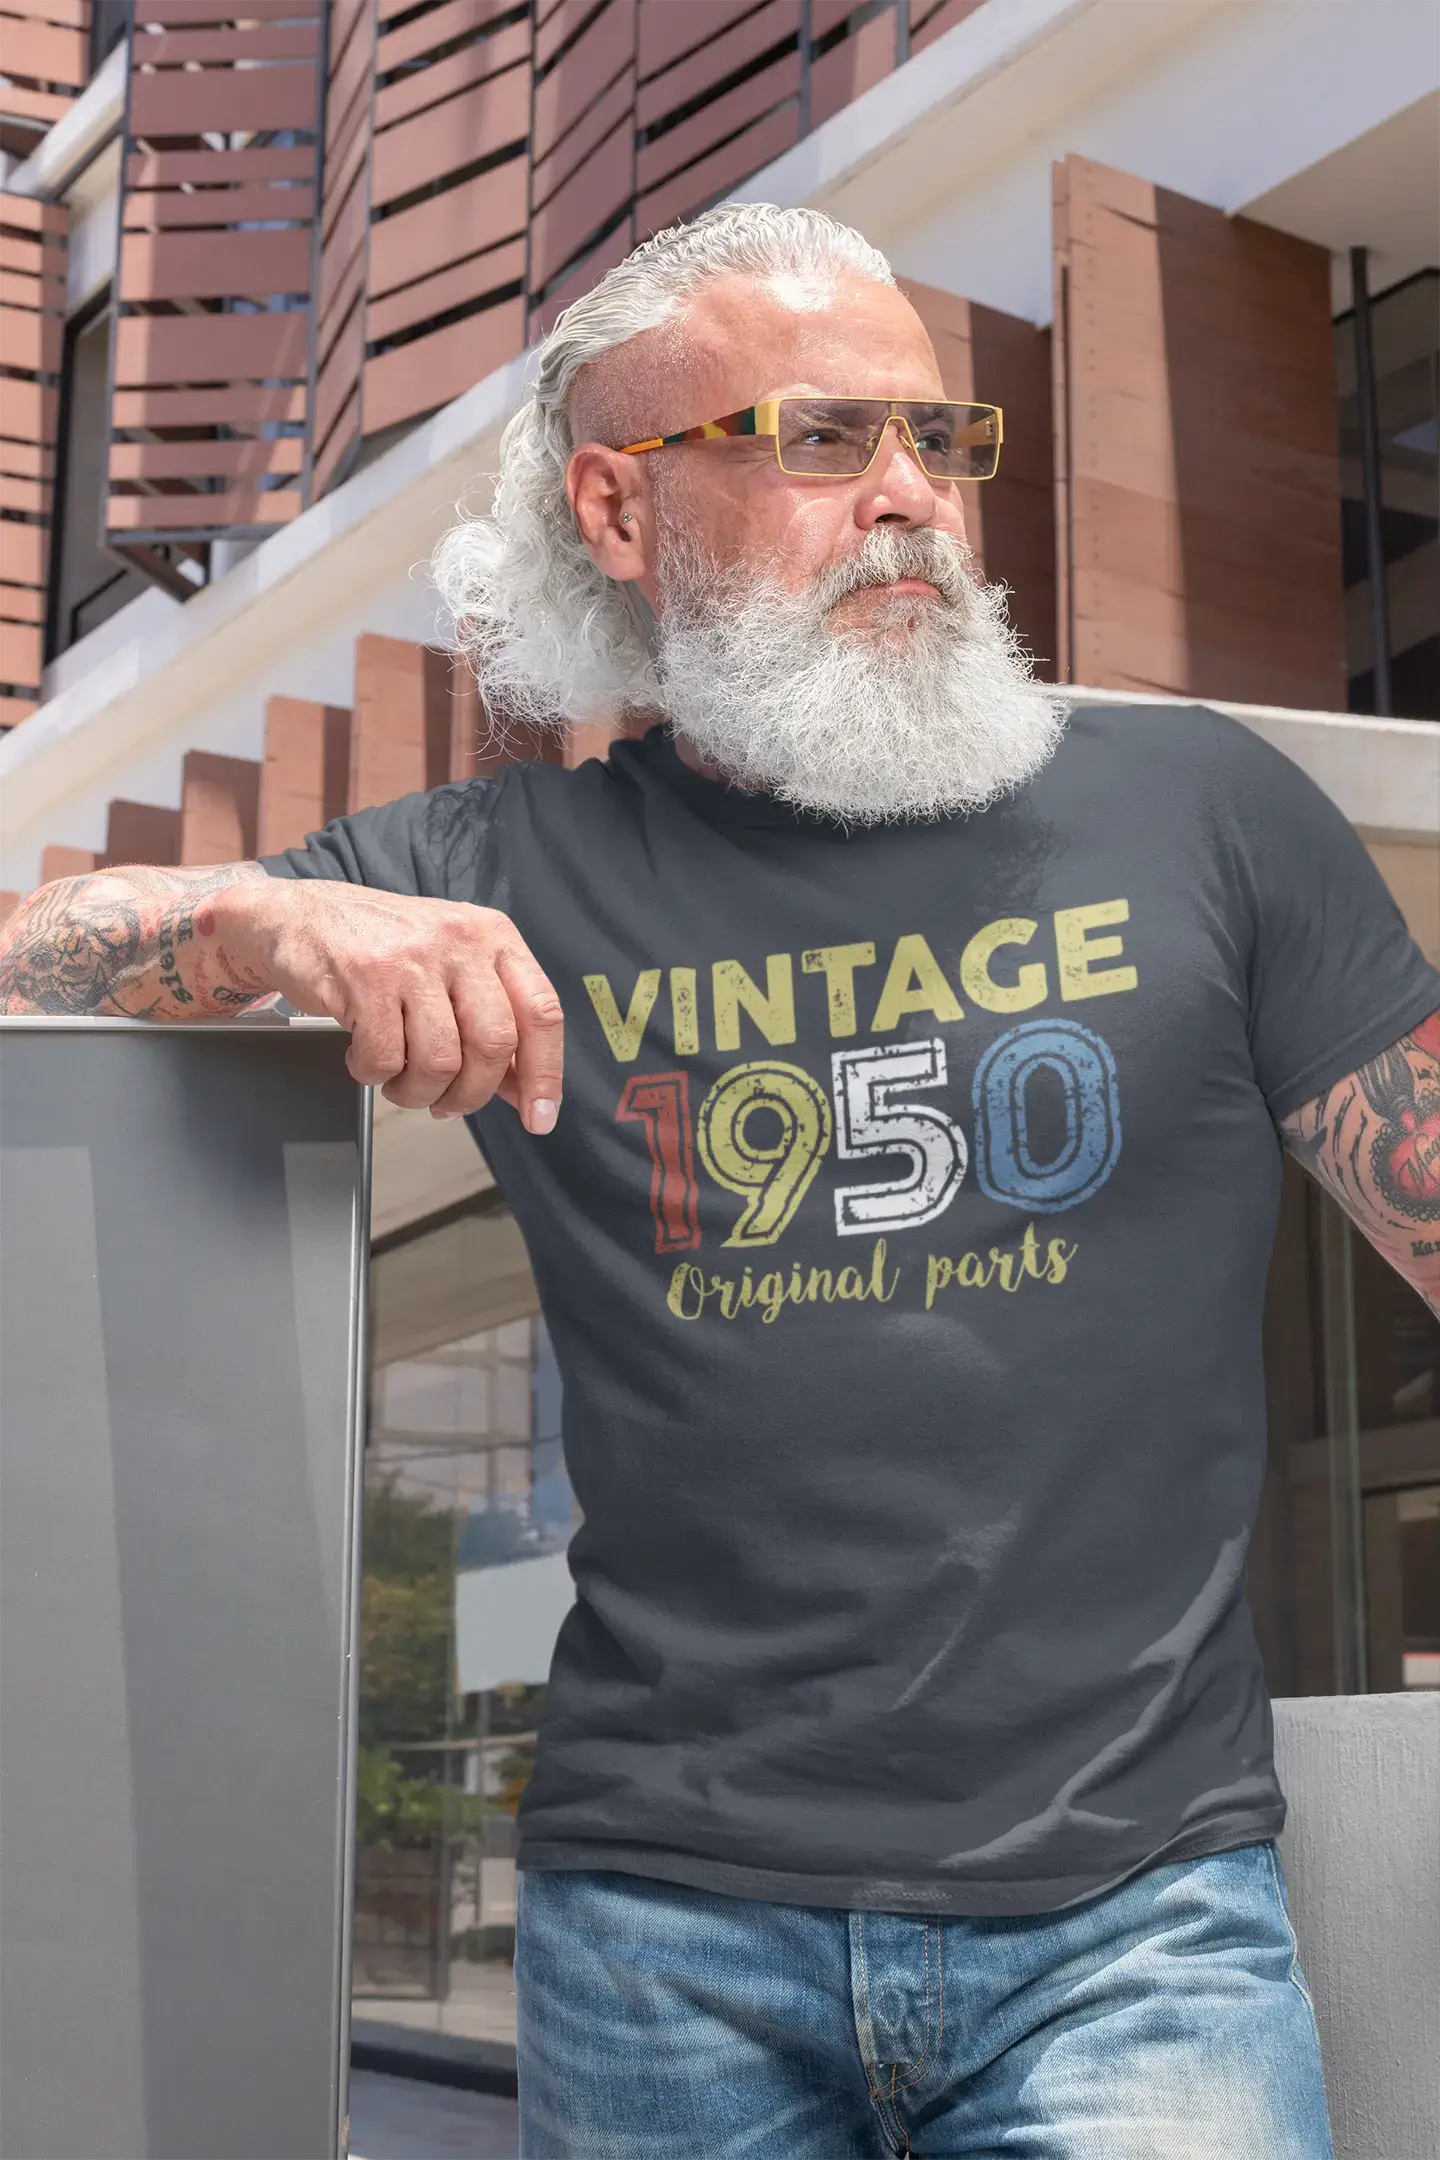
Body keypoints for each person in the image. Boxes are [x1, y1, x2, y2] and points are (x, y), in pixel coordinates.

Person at [2, 201, 1433, 2159]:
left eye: (937, 439)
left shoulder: (1205, 816)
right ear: (618, 507)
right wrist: (265, 919)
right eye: (821, 438)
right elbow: (28, 958)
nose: (910, 496)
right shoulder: (504, 866)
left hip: (1136, 1925)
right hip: (662, 1942)